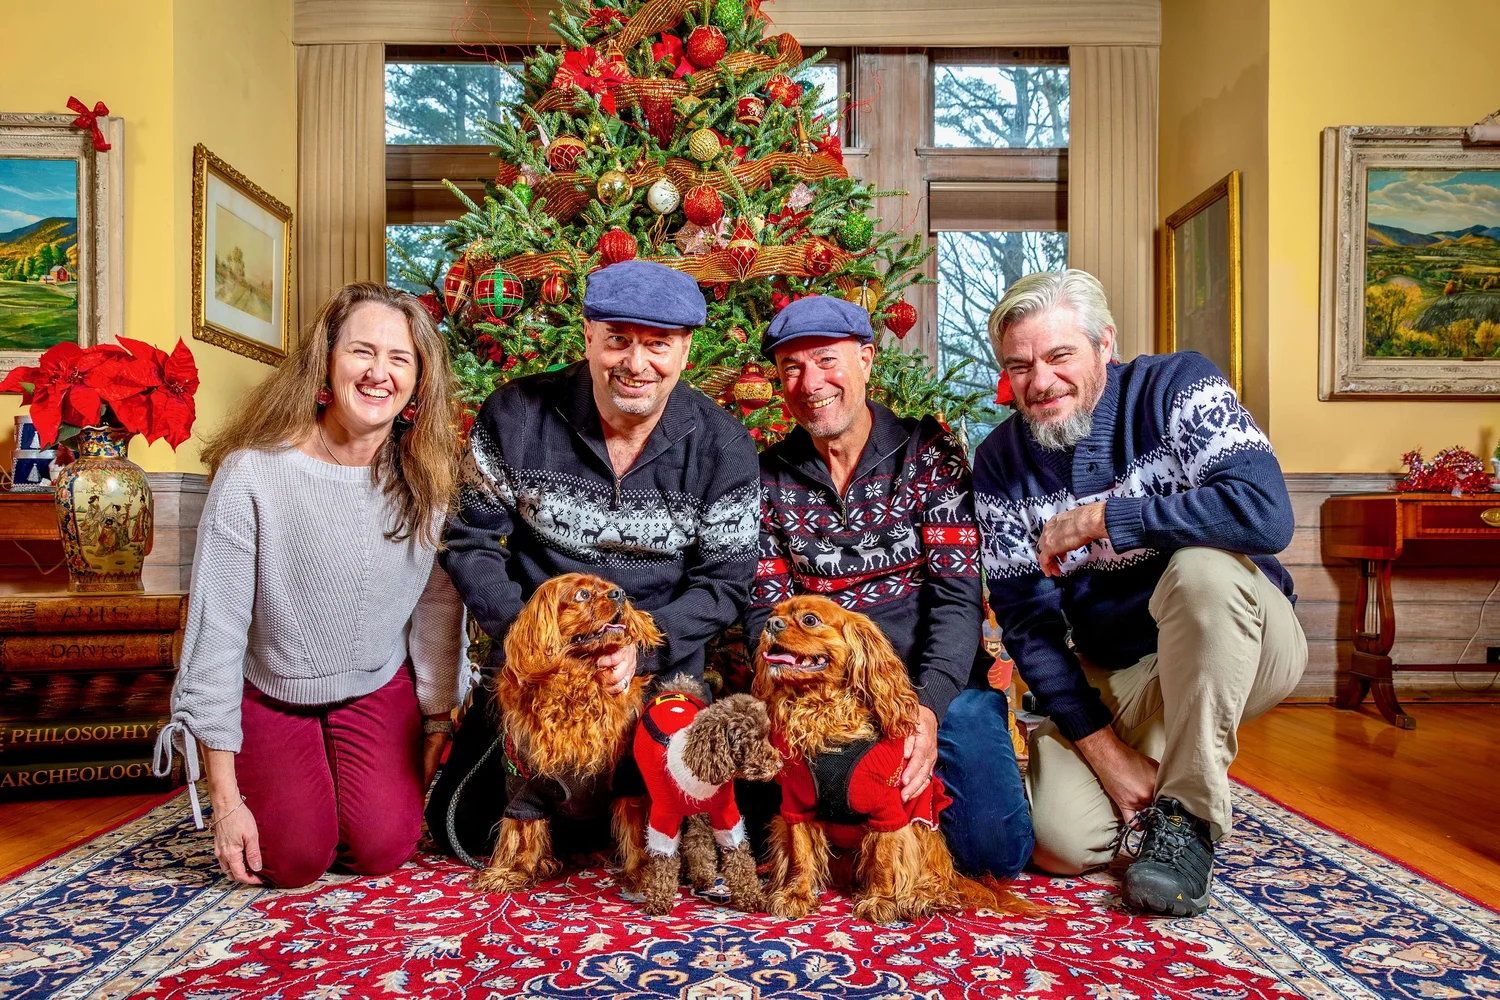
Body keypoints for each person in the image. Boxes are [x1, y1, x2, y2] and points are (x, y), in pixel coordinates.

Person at [971, 269, 1307, 916]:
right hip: (1123, 668)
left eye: (1060, 355)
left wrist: (1105, 520)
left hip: (1247, 638)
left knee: (1201, 570)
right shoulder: (1000, 461)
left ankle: (1186, 818)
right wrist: (1107, 755)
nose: (1040, 381)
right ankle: (1170, 772)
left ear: (1106, 344)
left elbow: (1266, 515)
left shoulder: (1179, 386)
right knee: (1062, 841)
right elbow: (1027, 623)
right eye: (1020, 366)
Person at [428, 259, 761, 860]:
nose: (636, 363)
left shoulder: (724, 444)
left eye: (658, 344)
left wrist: (642, 647)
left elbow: (725, 583)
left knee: (689, 843)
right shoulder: (515, 413)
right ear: (587, 336)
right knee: (469, 833)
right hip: (537, 659)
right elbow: (468, 540)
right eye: (618, 340)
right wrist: (533, 635)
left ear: (685, 350)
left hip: (657, 669)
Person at [152, 282, 468, 889]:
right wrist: (226, 799)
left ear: (418, 381)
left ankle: (337, 776)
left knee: (381, 849)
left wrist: (436, 716)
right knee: (292, 859)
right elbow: (217, 632)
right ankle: (289, 781)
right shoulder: (253, 473)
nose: (379, 373)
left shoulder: (428, 480)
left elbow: (435, 607)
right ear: (326, 361)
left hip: (374, 682)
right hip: (271, 685)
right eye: (361, 351)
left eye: (399, 359)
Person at [744, 295, 1034, 878]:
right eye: (792, 368)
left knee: (993, 856)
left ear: (867, 359)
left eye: (827, 360)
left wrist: (925, 711)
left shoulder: (928, 454)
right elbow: (767, 613)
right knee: (761, 842)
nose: (810, 383)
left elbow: (956, 601)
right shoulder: (768, 476)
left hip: (934, 684)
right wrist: (825, 704)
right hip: (822, 692)